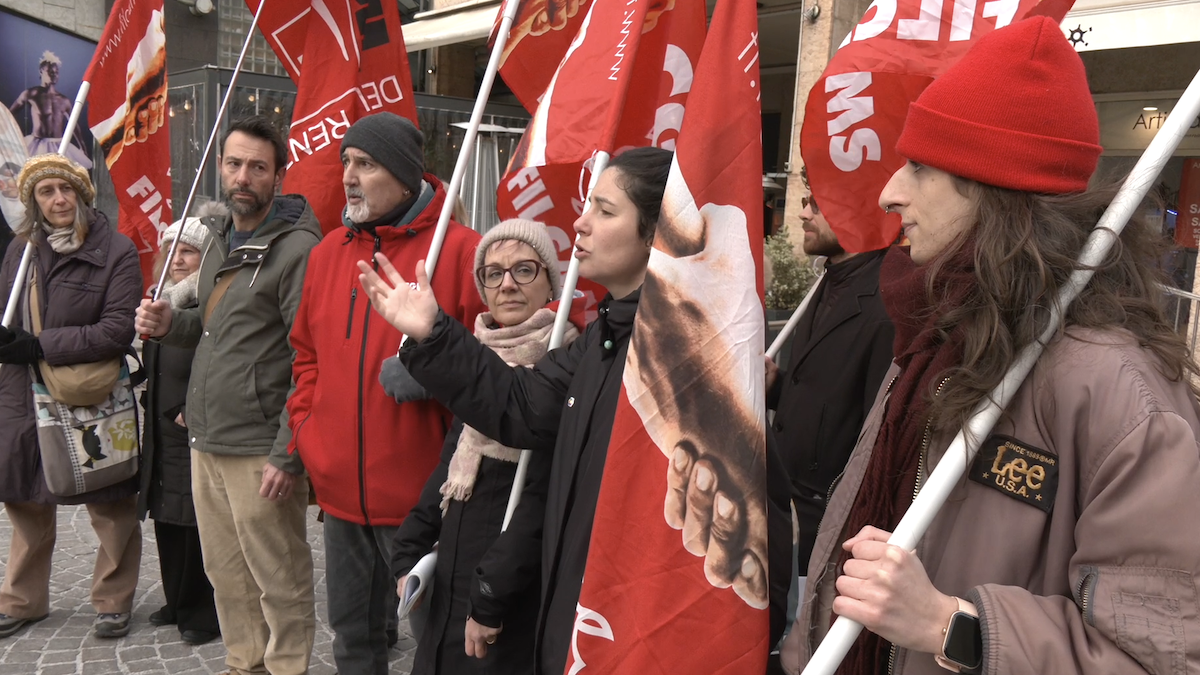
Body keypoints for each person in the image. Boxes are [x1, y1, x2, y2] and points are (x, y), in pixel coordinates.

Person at [780, 16, 1200, 675]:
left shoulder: (1121, 394)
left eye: (919, 166)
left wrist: (953, 625)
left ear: (990, 190)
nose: (890, 192)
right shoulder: (937, 337)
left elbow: (1159, 658)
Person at [360, 147, 791, 674]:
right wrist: (431, 331)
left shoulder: (694, 360)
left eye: (605, 211)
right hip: (579, 627)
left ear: (655, 231)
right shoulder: (600, 341)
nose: (580, 224)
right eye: (587, 207)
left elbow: (749, 524)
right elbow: (518, 406)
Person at [284, 111, 486, 675]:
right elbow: (305, 356)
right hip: (341, 498)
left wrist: (432, 373)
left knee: (434, 645)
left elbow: (494, 372)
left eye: (365, 164)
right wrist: (311, 436)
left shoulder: (461, 252)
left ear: (403, 175)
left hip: (424, 506)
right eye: (346, 161)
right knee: (352, 641)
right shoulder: (327, 254)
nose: (349, 175)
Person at [134, 116, 321, 675]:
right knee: (224, 569)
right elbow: (216, 331)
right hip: (206, 436)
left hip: (260, 444)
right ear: (221, 168)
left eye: (258, 167)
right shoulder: (220, 238)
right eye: (235, 164)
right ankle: (245, 663)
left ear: (278, 176)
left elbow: (308, 358)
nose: (244, 177)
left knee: (278, 572)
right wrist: (174, 323)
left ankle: (287, 666)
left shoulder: (297, 249)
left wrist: (288, 454)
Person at [390, 218, 583, 675]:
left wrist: (491, 593)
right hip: (453, 582)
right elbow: (450, 464)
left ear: (551, 281)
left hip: (508, 598)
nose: (507, 284)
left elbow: (540, 502)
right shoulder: (478, 359)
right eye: (493, 273)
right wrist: (409, 549)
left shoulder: (564, 367)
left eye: (524, 270)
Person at [0, 153, 142, 639]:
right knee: (25, 496)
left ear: (83, 194)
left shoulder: (116, 250)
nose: (58, 199)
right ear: (34, 202)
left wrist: (41, 346)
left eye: (66, 189)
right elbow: (6, 314)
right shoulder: (22, 251)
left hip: (89, 390)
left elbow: (117, 330)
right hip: (21, 390)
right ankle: (23, 599)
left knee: (108, 498)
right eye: (46, 191)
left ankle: (112, 599)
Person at [766, 167, 894, 567]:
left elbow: (877, 428)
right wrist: (775, 386)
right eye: (806, 202)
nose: (804, 214)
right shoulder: (826, 282)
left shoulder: (884, 303)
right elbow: (824, 392)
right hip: (784, 504)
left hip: (825, 526)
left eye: (816, 204)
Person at [136, 205, 224, 646]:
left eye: (189, 251)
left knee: (195, 519)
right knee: (167, 515)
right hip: (161, 423)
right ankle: (175, 599)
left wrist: (192, 403)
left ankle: (202, 611)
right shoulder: (161, 296)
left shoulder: (205, 299)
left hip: (191, 419)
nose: (179, 258)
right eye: (172, 249)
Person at [9, 52, 91, 168]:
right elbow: (9, 115)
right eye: (50, 72)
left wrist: (82, 146)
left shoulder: (64, 100)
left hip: (59, 145)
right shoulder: (31, 94)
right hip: (37, 145)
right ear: (41, 71)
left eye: (56, 73)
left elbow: (74, 125)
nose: (54, 75)